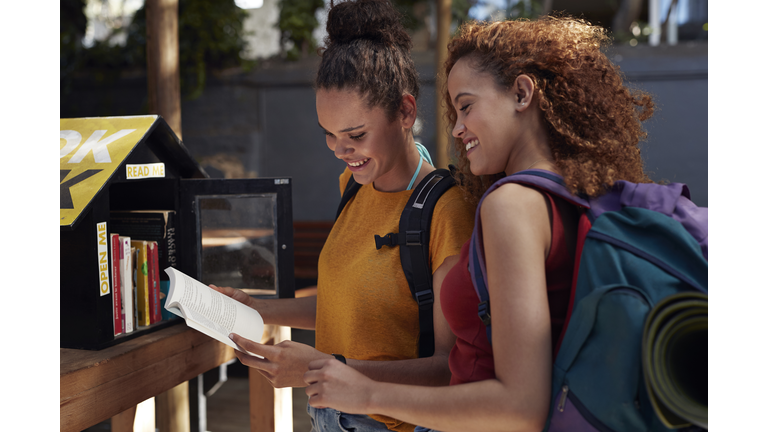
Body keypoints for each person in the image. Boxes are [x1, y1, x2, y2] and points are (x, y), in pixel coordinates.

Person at [303, 16, 655, 432]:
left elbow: (518, 406)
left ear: (523, 94)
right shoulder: (577, 192)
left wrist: (364, 393)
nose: (457, 127)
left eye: (466, 106)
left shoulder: (510, 205)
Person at [210, 1, 475, 431]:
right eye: (329, 135)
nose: (339, 150)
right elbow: (347, 307)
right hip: (325, 417)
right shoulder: (352, 186)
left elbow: (447, 370)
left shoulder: (447, 213)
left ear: (405, 112)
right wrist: (258, 309)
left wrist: (320, 366)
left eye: (355, 135)